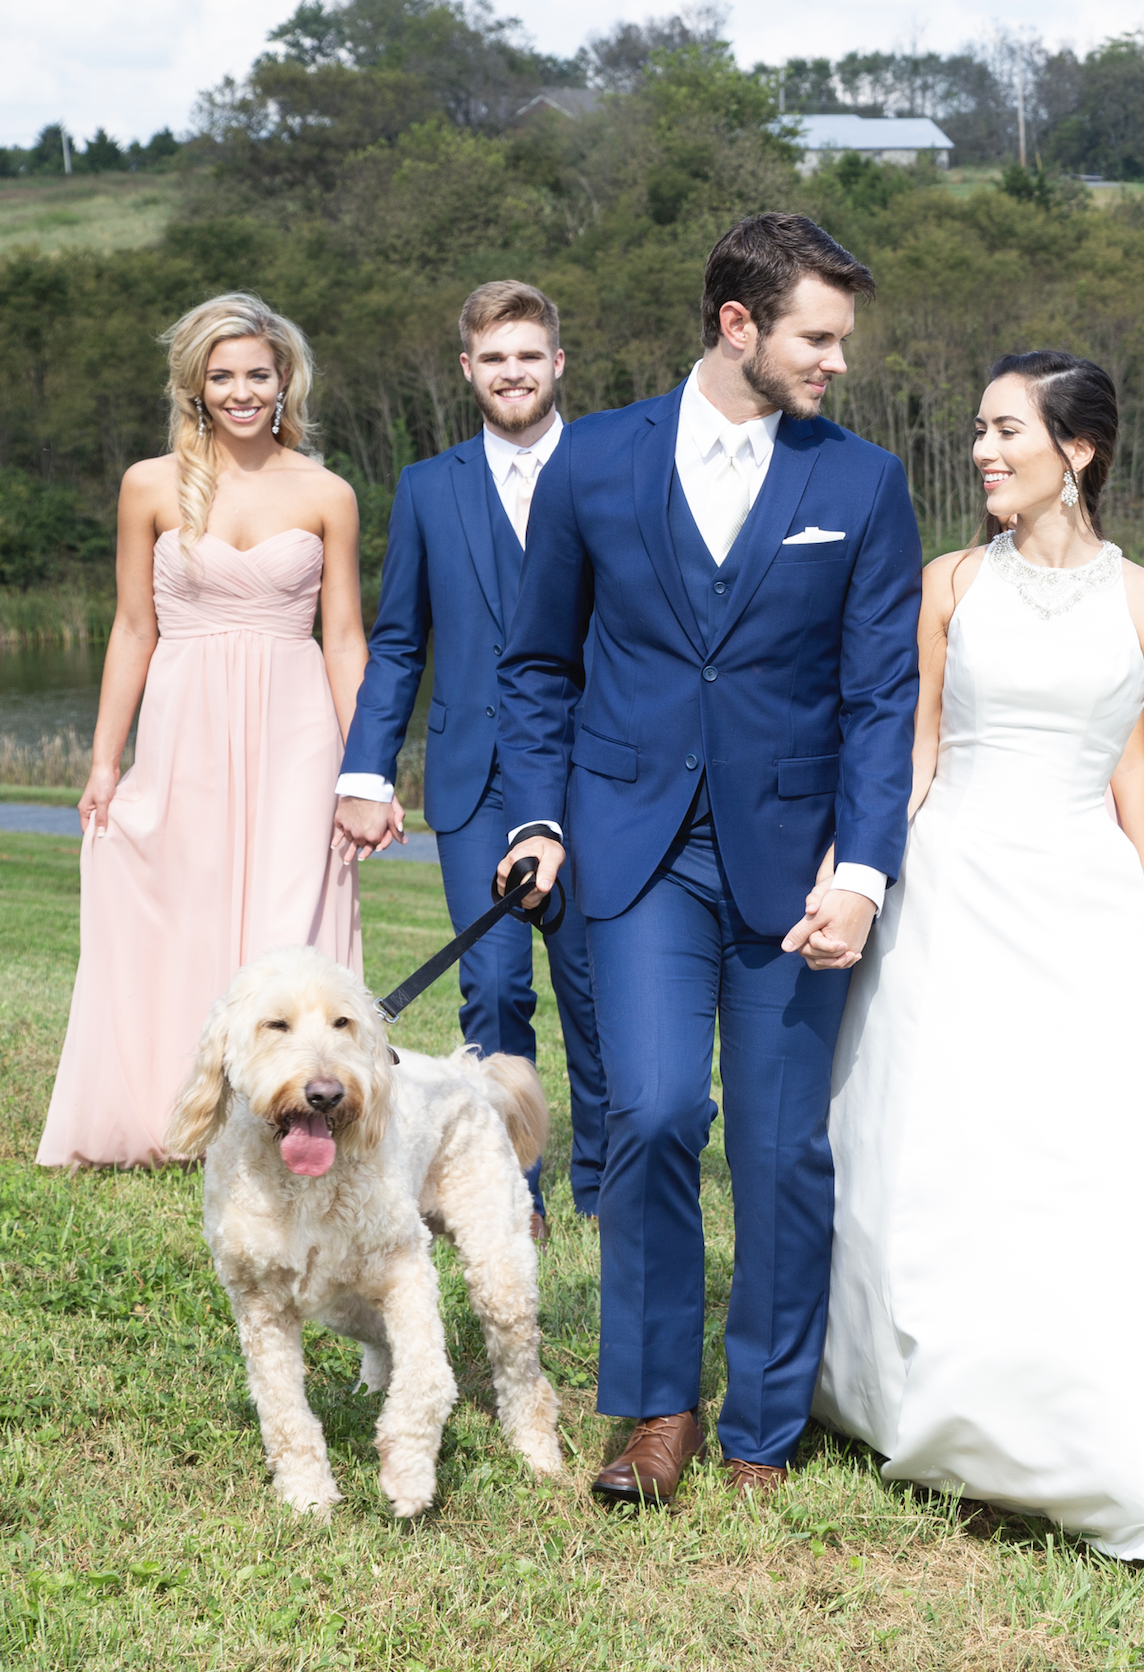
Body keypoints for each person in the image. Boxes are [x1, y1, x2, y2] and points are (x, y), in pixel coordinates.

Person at [813, 350, 1144, 1581]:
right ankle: (936, 1400)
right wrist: (850, 874)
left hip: (1080, 903)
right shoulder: (946, 584)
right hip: (953, 888)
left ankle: (1087, 1417)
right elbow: (911, 753)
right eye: (977, 431)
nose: (981, 452)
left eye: (1005, 431)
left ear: (1075, 451)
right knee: (941, 1147)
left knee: (1082, 1156)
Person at [492, 214, 921, 1506]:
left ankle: (764, 1424)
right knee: (657, 1113)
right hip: (629, 855)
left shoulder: (860, 484)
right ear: (738, 325)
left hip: (794, 869)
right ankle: (655, 1409)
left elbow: (880, 699)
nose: (836, 360)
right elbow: (534, 663)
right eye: (817, 335)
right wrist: (536, 816)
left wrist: (860, 871)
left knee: (784, 1147)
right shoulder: (593, 465)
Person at [40, 293, 365, 1168]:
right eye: (221, 376)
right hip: (185, 726)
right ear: (195, 385)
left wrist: (366, 772)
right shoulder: (148, 484)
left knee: (286, 914)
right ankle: (172, 1114)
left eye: (258, 374)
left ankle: (295, 1113)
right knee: (175, 905)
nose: (242, 391)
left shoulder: (329, 492)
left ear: (285, 378)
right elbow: (133, 628)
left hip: (298, 730)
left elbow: (342, 638)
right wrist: (105, 761)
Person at [332, 280, 607, 1240]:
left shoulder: (614, 466)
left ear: (558, 363)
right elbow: (400, 639)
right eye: (494, 358)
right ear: (468, 370)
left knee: (591, 980)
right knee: (493, 983)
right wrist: (367, 768)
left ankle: (608, 1182)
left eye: (529, 355)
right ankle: (508, 1184)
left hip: (595, 769)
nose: (513, 373)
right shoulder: (426, 487)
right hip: (473, 774)